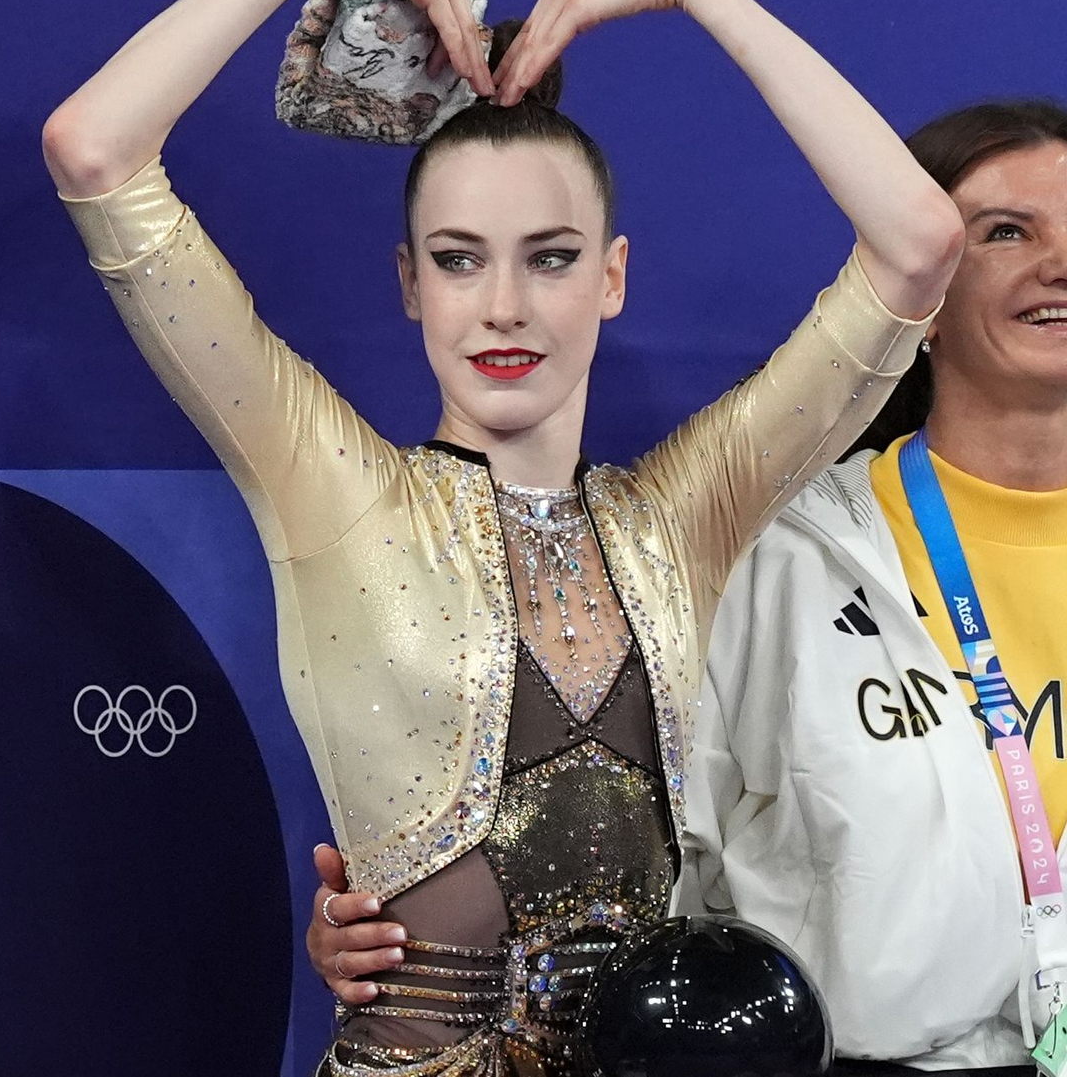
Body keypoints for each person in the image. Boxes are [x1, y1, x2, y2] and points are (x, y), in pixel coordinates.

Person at [42, 0, 961, 1074]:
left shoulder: (684, 513)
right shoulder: (331, 486)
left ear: (614, 276)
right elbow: (96, 152)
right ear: (409, 281)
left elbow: (917, 245)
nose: (506, 307)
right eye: (460, 259)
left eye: (552, 257)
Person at [308, 103, 1067, 1075]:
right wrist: (411, 916)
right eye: (1007, 230)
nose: (1056, 260)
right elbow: (635, 849)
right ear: (927, 302)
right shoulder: (783, 553)